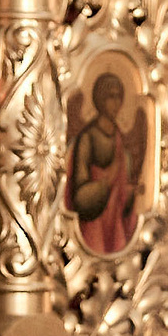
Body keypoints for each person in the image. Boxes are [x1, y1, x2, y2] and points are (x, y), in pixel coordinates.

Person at [67, 72, 144, 254]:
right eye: (111, 97)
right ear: (100, 98)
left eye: (119, 97)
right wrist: (106, 182)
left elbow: (121, 190)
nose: (116, 103)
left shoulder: (119, 138)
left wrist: (130, 192)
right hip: (93, 227)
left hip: (114, 223)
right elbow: (80, 196)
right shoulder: (87, 138)